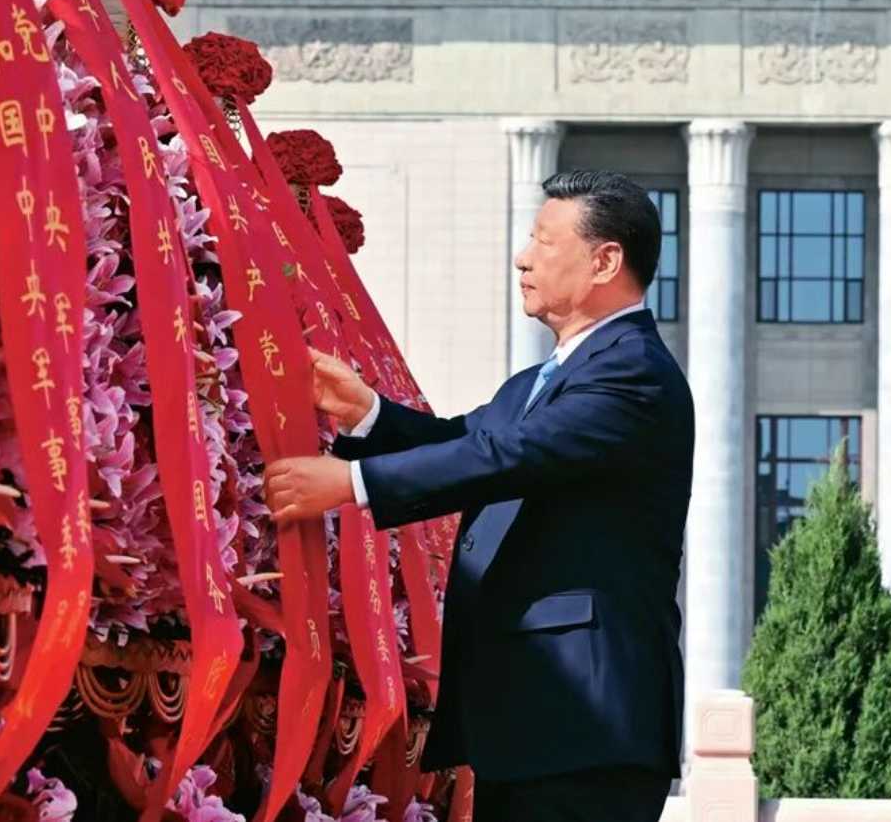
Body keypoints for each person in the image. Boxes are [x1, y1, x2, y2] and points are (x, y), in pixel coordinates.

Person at [265, 170, 695, 822]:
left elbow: (504, 458)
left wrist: (351, 484)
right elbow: (464, 441)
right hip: (529, 722)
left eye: (544, 242)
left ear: (606, 261)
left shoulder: (633, 372)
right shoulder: (538, 384)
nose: (523, 258)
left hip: (586, 727)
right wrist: (366, 415)